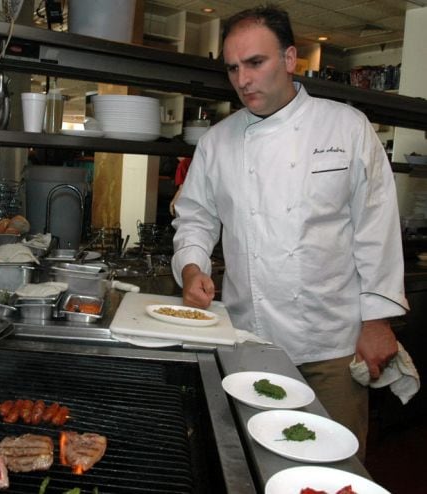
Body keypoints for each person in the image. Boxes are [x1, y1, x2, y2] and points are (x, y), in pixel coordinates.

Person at [170, 4, 408, 461]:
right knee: (253, 462)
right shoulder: (217, 142)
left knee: (334, 465)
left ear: (290, 58)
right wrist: (192, 265)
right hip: (247, 338)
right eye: (233, 68)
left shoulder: (346, 127)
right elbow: (196, 216)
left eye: (255, 63)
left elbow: (376, 226)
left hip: (332, 345)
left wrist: (377, 321)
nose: (243, 80)